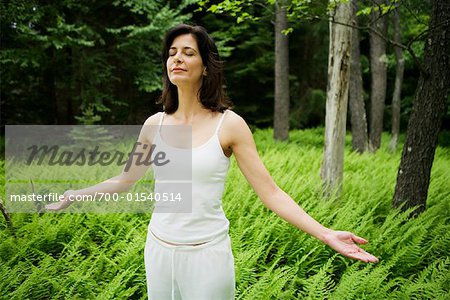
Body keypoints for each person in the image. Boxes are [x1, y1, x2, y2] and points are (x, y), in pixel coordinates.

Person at [45, 23, 379, 300]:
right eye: (172, 53)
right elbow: (125, 180)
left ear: (206, 67)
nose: (177, 58)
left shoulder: (229, 125)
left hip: (207, 257)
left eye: (188, 53)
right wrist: (75, 194)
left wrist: (325, 234)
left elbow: (271, 193)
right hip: (159, 252)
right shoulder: (154, 125)